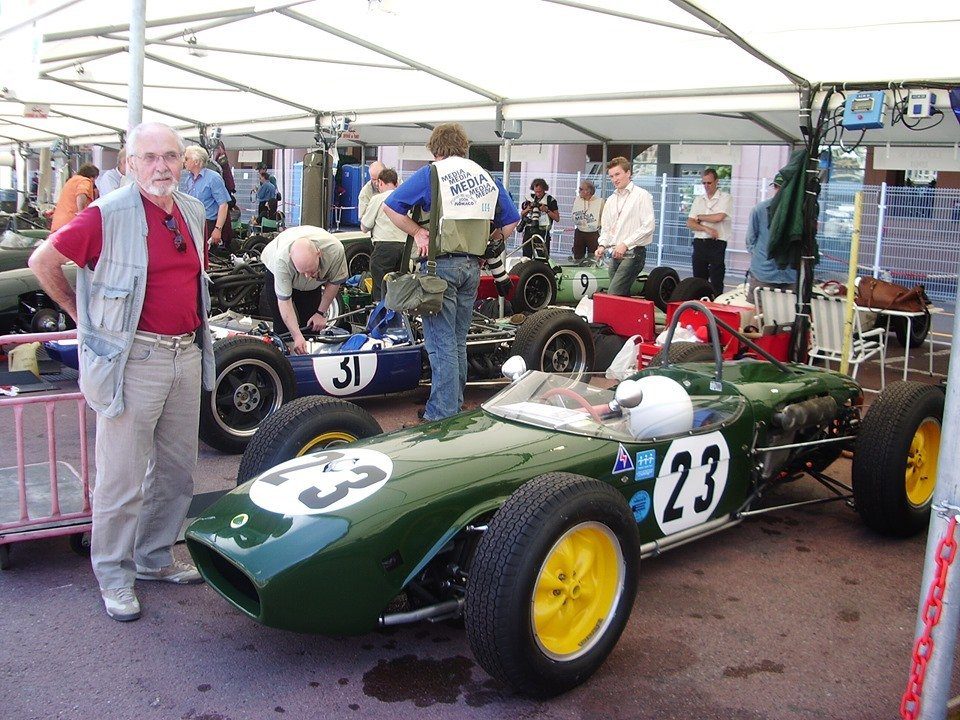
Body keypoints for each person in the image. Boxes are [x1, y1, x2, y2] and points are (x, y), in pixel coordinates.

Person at [28, 122, 214, 623]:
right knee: (121, 480)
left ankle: (153, 560)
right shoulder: (105, 215)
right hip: (135, 360)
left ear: (182, 160)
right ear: (128, 164)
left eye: (170, 156)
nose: (161, 166)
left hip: (185, 354)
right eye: (149, 157)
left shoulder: (192, 210)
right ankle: (114, 575)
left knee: (177, 474)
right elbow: (43, 259)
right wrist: (81, 318)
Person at [383, 123, 519, 421]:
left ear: (436, 148)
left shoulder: (432, 174)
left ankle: (442, 414)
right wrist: (490, 241)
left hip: (439, 269)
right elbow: (511, 221)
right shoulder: (485, 176)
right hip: (472, 267)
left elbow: (391, 206)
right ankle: (452, 406)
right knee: (457, 342)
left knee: (441, 343)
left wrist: (419, 232)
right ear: (463, 145)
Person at [259, 225, 348, 355]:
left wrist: (320, 313)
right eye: (303, 272)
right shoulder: (281, 260)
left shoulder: (335, 251)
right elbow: (284, 302)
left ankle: (312, 362)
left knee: (312, 327)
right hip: (276, 266)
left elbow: (334, 282)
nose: (307, 276)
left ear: (319, 254)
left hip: (312, 284)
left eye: (311, 271)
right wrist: (296, 335)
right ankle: (284, 364)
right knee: (283, 331)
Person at [594, 157, 655, 296]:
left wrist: (626, 244)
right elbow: (607, 228)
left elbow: (648, 226)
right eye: (611, 176)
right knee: (621, 296)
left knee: (614, 293)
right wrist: (602, 245)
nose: (614, 179)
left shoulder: (641, 195)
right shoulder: (611, 200)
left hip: (634, 253)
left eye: (617, 174)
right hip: (615, 253)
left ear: (628, 173)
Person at [360, 168, 408, 301]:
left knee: (381, 288)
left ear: (380, 182)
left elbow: (365, 226)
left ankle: (382, 317)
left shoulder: (378, 199)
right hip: (404, 249)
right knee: (398, 287)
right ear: (396, 183)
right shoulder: (405, 198)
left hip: (384, 248)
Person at [746, 173, 796, 299]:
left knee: (789, 314)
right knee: (759, 312)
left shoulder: (798, 212)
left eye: (784, 187)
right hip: (764, 274)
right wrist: (761, 258)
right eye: (777, 187)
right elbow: (750, 240)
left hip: (790, 275)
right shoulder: (760, 209)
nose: (780, 191)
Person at [687, 168, 733, 296]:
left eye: (709, 183)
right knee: (698, 280)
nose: (706, 186)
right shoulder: (699, 199)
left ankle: (715, 306)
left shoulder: (725, 198)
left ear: (716, 182)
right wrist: (706, 228)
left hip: (716, 242)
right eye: (704, 183)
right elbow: (690, 222)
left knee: (716, 279)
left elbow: (719, 217)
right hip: (700, 241)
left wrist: (700, 217)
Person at [181, 145, 232, 253]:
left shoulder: (213, 178)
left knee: (207, 257)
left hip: (208, 224)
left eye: (186, 158)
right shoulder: (188, 179)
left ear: (196, 161)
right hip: (192, 222)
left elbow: (223, 204)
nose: (183, 161)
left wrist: (218, 229)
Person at [518, 178, 559, 259]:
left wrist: (546, 210)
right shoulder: (529, 198)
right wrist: (528, 209)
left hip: (542, 231)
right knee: (526, 256)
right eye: (536, 191)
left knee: (542, 256)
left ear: (544, 189)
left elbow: (557, 218)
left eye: (540, 191)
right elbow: (522, 214)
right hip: (529, 230)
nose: (538, 194)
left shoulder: (550, 200)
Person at [50, 164, 99, 231]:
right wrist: (81, 214)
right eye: (95, 178)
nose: (94, 181)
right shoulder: (85, 181)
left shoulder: (70, 181)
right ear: (92, 177)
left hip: (58, 225)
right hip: (71, 224)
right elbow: (81, 194)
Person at [570, 179, 603, 260]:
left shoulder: (599, 202)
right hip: (579, 231)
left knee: (593, 257)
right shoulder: (577, 200)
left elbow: (604, 218)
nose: (579, 191)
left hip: (593, 233)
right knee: (577, 256)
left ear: (588, 191)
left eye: (581, 189)